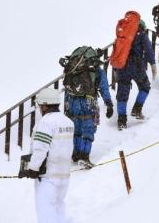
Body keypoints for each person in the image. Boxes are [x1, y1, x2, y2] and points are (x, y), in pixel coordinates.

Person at [19, 87, 74, 223]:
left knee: (46, 213)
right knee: (59, 208)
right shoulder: (68, 121)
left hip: (47, 176)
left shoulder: (45, 122)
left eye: (39, 105)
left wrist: (33, 168)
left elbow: (40, 149)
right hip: (64, 175)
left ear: (44, 105)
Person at [62, 47, 113, 168]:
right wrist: (109, 103)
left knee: (77, 128)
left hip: (72, 101)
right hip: (88, 101)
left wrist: (66, 105)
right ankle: (84, 156)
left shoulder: (72, 69)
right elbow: (104, 87)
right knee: (89, 128)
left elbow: (66, 88)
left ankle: (76, 153)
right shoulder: (96, 70)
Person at [111, 19, 157, 130]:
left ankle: (121, 121)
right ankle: (137, 109)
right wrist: (153, 64)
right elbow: (149, 49)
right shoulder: (141, 34)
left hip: (122, 67)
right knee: (145, 86)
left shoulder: (121, 35)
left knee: (122, 94)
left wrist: (115, 69)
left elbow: (115, 53)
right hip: (137, 66)